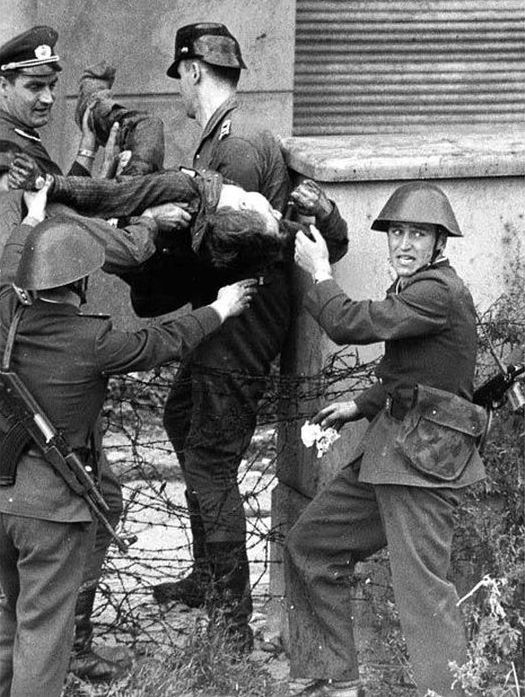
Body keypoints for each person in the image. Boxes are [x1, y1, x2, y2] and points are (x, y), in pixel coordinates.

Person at [0, 178, 256, 697]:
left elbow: (9, 264)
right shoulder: (92, 339)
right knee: (44, 637)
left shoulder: (6, 312)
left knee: (10, 619)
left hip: (2, 499)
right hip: (52, 512)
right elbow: (160, 342)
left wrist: (32, 216)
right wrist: (221, 309)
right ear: (82, 284)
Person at [0, 24, 186, 681]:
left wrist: (82, 157)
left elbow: (56, 212)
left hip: (34, 348)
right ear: (2, 85)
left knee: (86, 497)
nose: (46, 97)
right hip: (32, 352)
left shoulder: (24, 148)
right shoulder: (7, 158)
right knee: (70, 499)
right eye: (32, 86)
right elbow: (53, 237)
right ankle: (51, 649)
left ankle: (48, 643)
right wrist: (142, 226)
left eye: (52, 86)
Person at [287, 182, 487, 697]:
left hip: (421, 461)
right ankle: (337, 677)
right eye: (397, 231)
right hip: (390, 451)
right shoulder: (415, 288)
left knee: (423, 592)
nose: (404, 243)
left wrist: (321, 272)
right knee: (312, 543)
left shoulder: (437, 292)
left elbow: (351, 324)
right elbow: (412, 372)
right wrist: (359, 406)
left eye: (418, 234)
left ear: (440, 243)